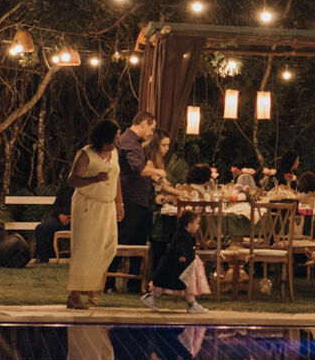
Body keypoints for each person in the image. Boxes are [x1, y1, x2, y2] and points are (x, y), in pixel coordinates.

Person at [64, 120, 123, 310]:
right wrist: (94, 178)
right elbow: (72, 180)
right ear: (104, 138)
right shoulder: (85, 155)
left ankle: (90, 285)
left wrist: (119, 203)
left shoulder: (114, 153)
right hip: (87, 205)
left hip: (108, 204)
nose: (117, 142)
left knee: (109, 247)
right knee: (85, 250)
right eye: (114, 138)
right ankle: (74, 294)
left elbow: (116, 178)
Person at [142, 209, 210, 313]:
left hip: (185, 267)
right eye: (196, 223)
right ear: (189, 224)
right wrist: (182, 255)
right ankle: (151, 297)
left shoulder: (185, 235)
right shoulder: (182, 236)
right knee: (163, 284)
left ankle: (192, 304)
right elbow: (180, 246)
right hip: (177, 266)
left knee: (187, 285)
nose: (198, 226)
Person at [115, 112, 158, 245]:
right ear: (144, 124)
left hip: (138, 200)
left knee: (138, 242)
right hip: (131, 200)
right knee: (126, 240)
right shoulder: (129, 141)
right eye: (151, 129)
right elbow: (140, 169)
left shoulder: (135, 142)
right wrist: (159, 172)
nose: (151, 133)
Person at [33, 168, 74, 263]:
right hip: (61, 219)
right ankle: (42, 258)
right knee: (41, 228)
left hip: (79, 222)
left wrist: (71, 218)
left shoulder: (86, 191)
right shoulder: (65, 188)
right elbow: (56, 205)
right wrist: (60, 216)